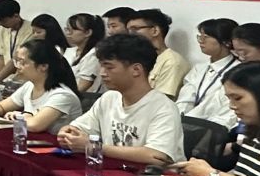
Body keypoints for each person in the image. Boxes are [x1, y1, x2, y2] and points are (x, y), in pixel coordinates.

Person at [57, 32, 181, 167]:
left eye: (109, 67)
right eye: (101, 66)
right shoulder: (109, 98)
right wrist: (68, 133)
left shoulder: (163, 108)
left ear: (136, 70)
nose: (102, 73)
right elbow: (79, 128)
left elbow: (156, 156)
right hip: (114, 171)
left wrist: (96, 146)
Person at [0, 40, 83, 132]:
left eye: (23, 62)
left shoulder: (62, 95)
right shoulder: (29, 86)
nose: (18, 67)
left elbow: (35, 125)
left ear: (43, 66)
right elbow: (2, 106)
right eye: (17, 62)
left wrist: (19, 116)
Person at [176, 18, 240, 127]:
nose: (201, 41)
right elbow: (184, 100)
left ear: (226, 42)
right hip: (186, 125)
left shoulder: (238, 71)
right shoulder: (199, 68)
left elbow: (223, 111)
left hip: (214, 128)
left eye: (205, 37)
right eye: (199, 36)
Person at [127, 9, 188, 100]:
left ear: (155, 31)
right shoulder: (134, 59)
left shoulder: (172, 62)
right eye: (128, 30)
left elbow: (161, 101)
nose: (130, 34)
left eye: (135, 29)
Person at [0, 0, 28, 83]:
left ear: (16, 16)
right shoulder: (2, 29)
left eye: (3, 20)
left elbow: (16, 60)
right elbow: (2, 59)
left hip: (22, 76)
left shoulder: (31, 30)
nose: (0, 23)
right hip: (5, 76)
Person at [63, 13, 105, 93]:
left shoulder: (94, 55)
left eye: (72, 30)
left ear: (88, 32)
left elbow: (81, 87)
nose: (68, 33)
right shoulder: (70, 51)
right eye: (67, 29)